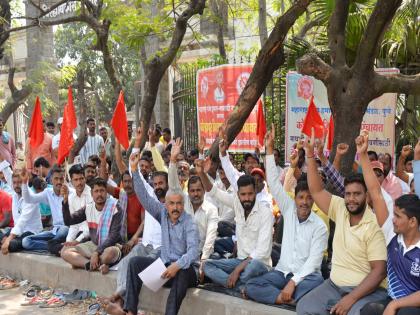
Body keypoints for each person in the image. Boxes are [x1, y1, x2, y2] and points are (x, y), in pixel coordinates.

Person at [296, 129, 388, 315]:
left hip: (367, 291)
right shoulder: (340, 208)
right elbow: (316, 190)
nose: (351, 199)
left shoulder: (375, 224)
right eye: (348, 194)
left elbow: (379, 271)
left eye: (357, 194)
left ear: (366, 196)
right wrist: (311, 155)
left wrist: (351, 298)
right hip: (333, 286)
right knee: (304, 307)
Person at [105, 152, 200, 315]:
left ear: (183, 205)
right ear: (166, 205)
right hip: (165, 268)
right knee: (134, 263)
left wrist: (176, 266)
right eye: (172, 204)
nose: (175, 207)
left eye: (179, 204)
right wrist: (134, 171)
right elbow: (145, 198)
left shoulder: (189, 222)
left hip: (186, 270)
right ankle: (130, 311)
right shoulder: (162, 213)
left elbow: (193, 252)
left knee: (183, 273)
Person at [244, 126, 327, 306]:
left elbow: (313, 263)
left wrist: (293, 282)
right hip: (281, 273)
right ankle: (286, 298)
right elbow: (273, 183)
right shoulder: (289, 209)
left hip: (305, 278)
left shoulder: (320, 226)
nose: (304, 202)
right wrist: (270, 149)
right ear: (294, 198)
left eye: (309, 198)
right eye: (301, 197)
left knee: (318, 282)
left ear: (314, 200)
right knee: (252, 284)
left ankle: (284, 296)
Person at [352, 132, 420, 315]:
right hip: (391, 300)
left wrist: (395, 305)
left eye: (398, 216)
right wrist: (363, 154)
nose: (392, 219)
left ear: (413, 221)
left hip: (412, 307)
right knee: (368, 311)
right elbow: (375, 192)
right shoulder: (392, 233)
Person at [197, 159, 274, 292]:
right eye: (243, 194)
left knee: (252, 268)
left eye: (250, 194)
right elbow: (214, 192)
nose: (247, 198)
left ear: (255, 191)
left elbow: (262, 252)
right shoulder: (237, 204)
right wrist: (201, 173)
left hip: (259, 264)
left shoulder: (266, 213)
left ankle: (233, 286)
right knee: (206, 266)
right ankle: (240, 288)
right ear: (238, 194)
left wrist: (237, 270)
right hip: (239, 261)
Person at [169, 138, 218, 263]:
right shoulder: (184, 202)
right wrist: (173, 160)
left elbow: (210, 237)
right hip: (181, 253)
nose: (195, 194)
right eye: (192, 191)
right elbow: (174, 186)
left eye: (198, 190)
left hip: (201, 255)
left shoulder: (211, 209)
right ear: (188, 191)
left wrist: (204, 259)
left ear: (204, 191)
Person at [60, 178, 123, 272]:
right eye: (96, 191)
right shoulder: (88, 208)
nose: (99, 194)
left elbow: (113, 237)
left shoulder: (115, 208)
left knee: (109, 254)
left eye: (102, 191)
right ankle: (91, 264)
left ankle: (87, 262)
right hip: (94, 245)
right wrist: (65, 201)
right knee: (64, 252)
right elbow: (68, 221)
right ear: (91, 193)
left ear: (106, 192)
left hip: (111, 246)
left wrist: (96, 253)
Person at [21, 165, 70, 251]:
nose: (59, 182)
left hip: (67, 230)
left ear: (64, 179)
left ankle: (54, 245)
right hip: (54, 231)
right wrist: (24, 183)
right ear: (51, 180)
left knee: (64, 229)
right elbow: (29, 199)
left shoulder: (71, 192)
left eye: (61, 179)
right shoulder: (48, 192)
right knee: (26, 241)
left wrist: (67, 197)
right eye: (56, 179)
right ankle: (55, 246)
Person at [0, 166, 42, 254]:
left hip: (30, 232)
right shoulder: (15, 194)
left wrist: (8, 240)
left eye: (19, 182)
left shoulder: (30, 197)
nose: (16, 185)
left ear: (25, 182)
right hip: (16, 232)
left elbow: (22, 222)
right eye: (14, 183)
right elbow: (7, 173)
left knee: (11, 245)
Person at [65, 164, 91, 245]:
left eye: (81, 179)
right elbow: (73, 225)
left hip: (90, 234)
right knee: (53, 245)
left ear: (85, 179)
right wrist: (68, 241)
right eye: (76, 180)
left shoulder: (92, 194)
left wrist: (77, 241)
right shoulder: (71, 198)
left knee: (67, 249)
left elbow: (92, 226)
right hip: (78, 232)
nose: (79, 182)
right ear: (71, 182)